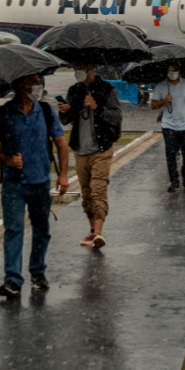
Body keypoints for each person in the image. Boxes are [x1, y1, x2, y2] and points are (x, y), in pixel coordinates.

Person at [0, 73, 69, 298]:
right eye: (31, 82)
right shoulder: (3, 114)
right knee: (14, 229)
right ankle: (12, 280)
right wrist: (7, 159)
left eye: (38, 81)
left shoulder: (46, 111)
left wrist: (63, 175)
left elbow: (61, 144)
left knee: (42, 230)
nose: (36, 85)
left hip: (40, 181)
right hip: (13, 183)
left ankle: (38, 272)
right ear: (19, 85)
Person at [57, 60, 121, 249]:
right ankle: (92, 230)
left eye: (81, 67)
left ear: (91, 67)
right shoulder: (74, 90)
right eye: (75, 68)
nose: (78, 71)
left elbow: (117, 117)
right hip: (80, 148)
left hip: (101, 148)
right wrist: (64, 111)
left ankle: (99, 233)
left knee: (98, 188)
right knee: (86, 193)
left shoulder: (106, 89)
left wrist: (97, 108)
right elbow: (66, 120)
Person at [150, 65, 185, 191]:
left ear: (179, 72)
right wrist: (164, 101)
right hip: (168, 126)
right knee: (170, 154)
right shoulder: (161, 86)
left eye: (174, 71)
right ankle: (174, 180)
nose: (172, 73)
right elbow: (153, 105)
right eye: (170, 71)